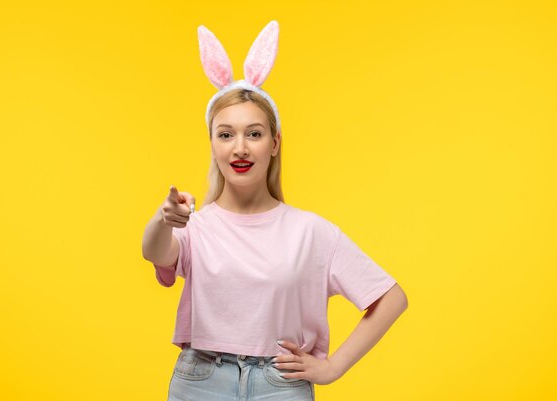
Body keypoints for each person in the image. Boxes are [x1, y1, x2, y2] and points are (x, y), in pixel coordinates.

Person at [142, 20, 408, 401]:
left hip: (280, 385)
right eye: (226, 134)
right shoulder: (195, 227)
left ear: (274, 142)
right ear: (213, 144)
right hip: (200, 381)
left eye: (254, 133)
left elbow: (391, 298)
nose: (240, 148)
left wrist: (333, 368)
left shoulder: (312, 232)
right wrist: (164, 218)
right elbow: (154, 251)